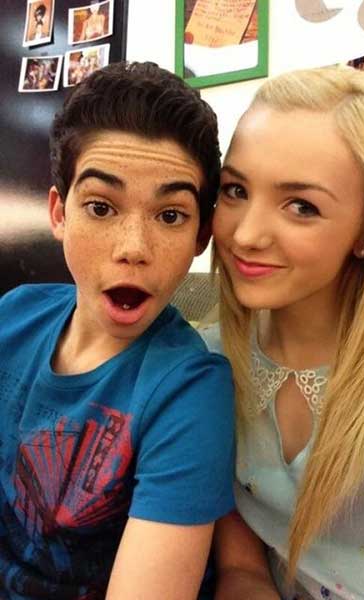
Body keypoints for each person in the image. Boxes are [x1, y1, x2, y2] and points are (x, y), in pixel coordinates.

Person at [202, 66, 364, 599]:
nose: (246, 234)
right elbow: (241, 562)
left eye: (302, 206)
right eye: (235, 190)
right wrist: (244, 579)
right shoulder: (206, 361)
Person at [0, 61, 235, 599]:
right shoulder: (14, 316)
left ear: (201, 236)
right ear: (59, 213)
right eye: (101, 207)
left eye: (170, 216)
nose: (133, 248)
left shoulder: (189, 389)